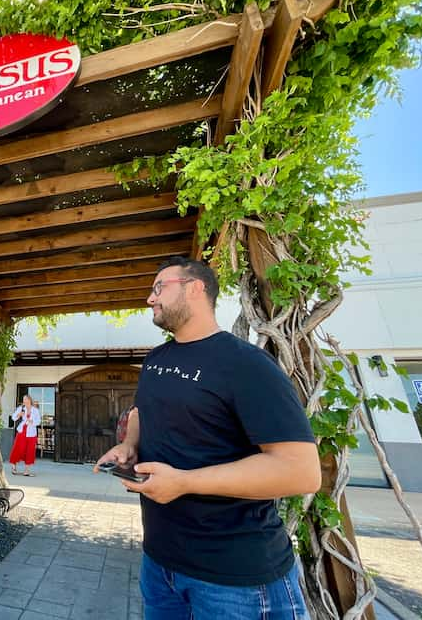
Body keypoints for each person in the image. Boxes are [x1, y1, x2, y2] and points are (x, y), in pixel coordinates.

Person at [95, 256, 321, 620]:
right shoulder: (156, 359)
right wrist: (129, 446)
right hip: (160, 566)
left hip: (237, 580)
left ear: (196, 288)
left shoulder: (246, 364)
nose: (150, 299)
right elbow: (141, 413)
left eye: (159, 288)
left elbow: (300, 472)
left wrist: (185, 483)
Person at [8, 394, 40, 476]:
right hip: (22, 432)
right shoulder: (21, 408)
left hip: (31, 433)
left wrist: (32, 422)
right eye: (23, 399)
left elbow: (38, 421)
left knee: (30, 451)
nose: (24, 401)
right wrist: (19, 415)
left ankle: (26, 471)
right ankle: (13, 467)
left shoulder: (35, 410)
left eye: (26, 399)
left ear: (29, 400)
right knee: (17, 448)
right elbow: (13, 418)